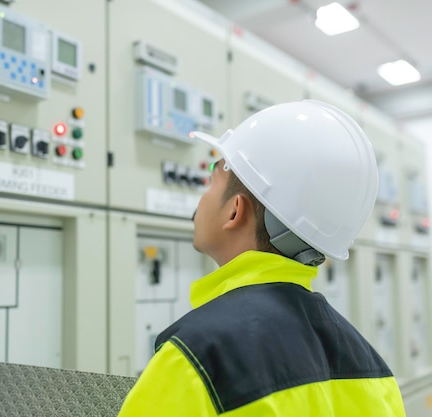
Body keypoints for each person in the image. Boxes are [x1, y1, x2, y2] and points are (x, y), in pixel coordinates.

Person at [117, 100, 406, 416]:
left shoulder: (194, 358)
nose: (201, 197)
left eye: (212, 181)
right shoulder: (372, 367)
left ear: (235, 210)